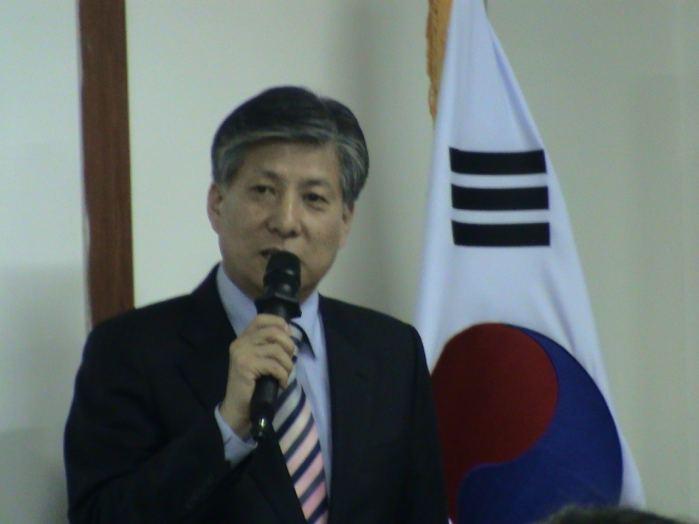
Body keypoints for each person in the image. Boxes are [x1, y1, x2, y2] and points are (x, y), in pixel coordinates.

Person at [64, 86, 447, 523]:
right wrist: (227, 427)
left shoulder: (392, 351)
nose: (286, 221)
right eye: (264, 190)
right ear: (217, 204)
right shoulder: (128, 351)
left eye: (314, 198)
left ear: (345, 221)